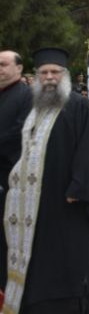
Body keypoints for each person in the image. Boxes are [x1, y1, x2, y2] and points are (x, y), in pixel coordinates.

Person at [3, 47, 89, 314]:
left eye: (55, 72)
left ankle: (74, 311)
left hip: (67, 199)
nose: (49, 77)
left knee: (71, 256)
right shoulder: (33, 108)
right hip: (35, 202)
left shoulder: (78, 105)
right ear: (36, 77)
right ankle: (36, 309)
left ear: (64, 75)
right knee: (40, 257)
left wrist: (79, 187)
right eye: (44, 73)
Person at [0, 51, 33, 292]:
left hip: (11, 175)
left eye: (3, 64)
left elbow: (21, 130)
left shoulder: (26, 95)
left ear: (19, 69)